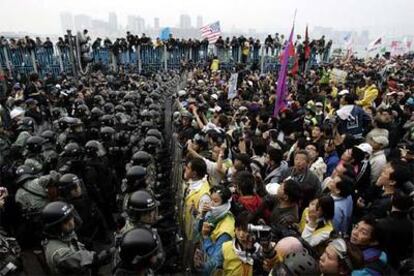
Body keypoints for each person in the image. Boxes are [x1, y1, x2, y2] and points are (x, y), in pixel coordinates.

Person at [42, 201, 113, 275]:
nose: (71, 222)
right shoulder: (59, 253)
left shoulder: (64, 235)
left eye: (70, 216)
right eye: (66, 221)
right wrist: (105, 255)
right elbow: (80, 261)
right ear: (55, 228)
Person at [194, 185, 235, 275]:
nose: (211, 204)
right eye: (210, 200)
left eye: (215, 201)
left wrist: (206, 237)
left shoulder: (226, 231)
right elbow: (197, 231)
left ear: (225, 204)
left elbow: (215, 261)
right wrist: (202, 216)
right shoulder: (212, 214)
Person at [375, 190, 413, 269]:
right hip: (397, 262)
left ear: (392, 199)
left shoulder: (381, 224)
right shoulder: (411, 225)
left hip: (379, 259)